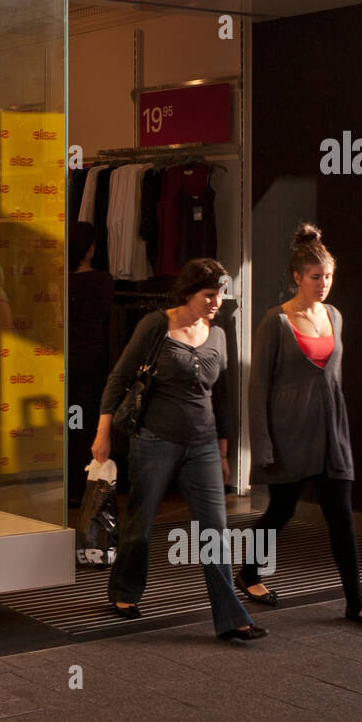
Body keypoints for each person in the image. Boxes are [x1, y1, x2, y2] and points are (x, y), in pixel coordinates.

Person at [92, 258, 266, 641]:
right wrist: (103, 435)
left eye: (220, 294)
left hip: (202, 445)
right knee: (141, 523)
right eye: (209, 294)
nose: (216, 301)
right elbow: (119, 378)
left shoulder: (219, 333)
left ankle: (231, 618)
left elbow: (221, 398)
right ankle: (124, 591)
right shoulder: (156, 325)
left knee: (215, 532)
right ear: (188, 292)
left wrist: (222, 453)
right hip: (155, 440)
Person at [241, 223, 362, 627]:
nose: (324, 284)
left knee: (340, 515)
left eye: (329, 277)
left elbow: (333, 380)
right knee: (281, 510)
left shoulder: (335, 316)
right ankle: (249, 571)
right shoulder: (276, 321)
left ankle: (356, 601)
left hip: (331, 435)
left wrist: (339, 432)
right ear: (297, 278)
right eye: (316, 277)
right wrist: (263, 445)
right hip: (289, 434)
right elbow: (258, 389)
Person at [68, 222, 114, 509]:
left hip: (67, 359)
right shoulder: (103, 281)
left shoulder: (61, 280)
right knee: (89, 424)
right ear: (90, 248)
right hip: (93, 359)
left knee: (71, 423)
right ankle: (87, 484)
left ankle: (71, 482)